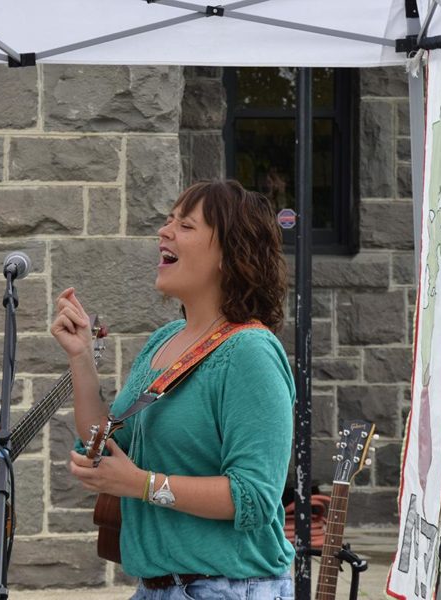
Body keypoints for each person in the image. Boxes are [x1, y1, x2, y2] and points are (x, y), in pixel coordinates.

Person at [51, 179, 295, 599]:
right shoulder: (163, 341)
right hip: (156, 588)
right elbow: (106, 442)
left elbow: (253, 497)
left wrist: (140, 484)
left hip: (230, 587)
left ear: (229, 254)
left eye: (186, 225)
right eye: (168, 221)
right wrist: (80, 357)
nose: (164, 232)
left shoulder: (251, 353)